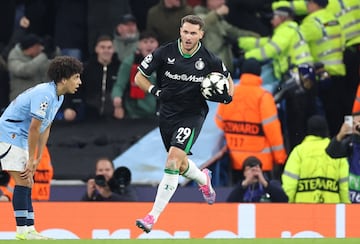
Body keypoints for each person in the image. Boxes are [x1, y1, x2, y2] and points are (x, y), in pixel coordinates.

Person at [134, 15, 234, 233]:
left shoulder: (210, 59)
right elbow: (139, 77)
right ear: (180, 31)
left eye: (193, 33)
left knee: (171, 162)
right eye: (185, 32)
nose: (188, 37)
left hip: (192, 115)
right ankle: (202, 178)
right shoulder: (164, 52)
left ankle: (152, 216)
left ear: (201, 35)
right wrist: (155, 91)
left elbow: (228, 81)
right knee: (179, 164)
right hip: (167, 114)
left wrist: (226, 96)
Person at [0, 56, 83, 240]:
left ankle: (29, 229)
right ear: (63, 79)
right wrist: (30, 159)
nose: (79, 82)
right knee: (23, 181)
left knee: (28, 181)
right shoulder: (44, 94)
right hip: (9, 134)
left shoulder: (58, 96)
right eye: (76, 77)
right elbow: (34, 128)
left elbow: (46, 127)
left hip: (19, 136)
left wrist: (37, 157)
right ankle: (23, 231)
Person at [238, 6, 315, 150]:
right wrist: (241, 41)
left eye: (274, 17)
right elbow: (267, 42)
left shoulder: (285, 30)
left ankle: (296, 152)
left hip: (296, 79)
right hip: (305, 77)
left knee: (295, 123)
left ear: (282, 18)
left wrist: (247, 57)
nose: (272, 21)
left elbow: (271, 50)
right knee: (303, 119)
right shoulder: (290, 30)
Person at [215, 58, 287, 184]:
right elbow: (272, 130)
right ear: (259, 74)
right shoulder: (263, 96)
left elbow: (219, 125)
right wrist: (280, 158)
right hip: (259, 165)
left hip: (234, 162)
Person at [299, 0, 346, 137]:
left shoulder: (311, 21)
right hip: (339, 71)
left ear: (314, 4)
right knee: (340, 112)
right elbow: (342, 45)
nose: (306, 6)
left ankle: (331, 143)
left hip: (323, 74)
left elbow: (298, 39)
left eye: (308, 2)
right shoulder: (335, 19)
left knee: (326, 113)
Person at [282, 115, 350, 203]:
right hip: (332, 210)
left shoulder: (299, 151)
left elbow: (289, 186)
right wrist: (349, 208)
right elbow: (345, 185)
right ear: (326, 130)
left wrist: (285, 206)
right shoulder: (336, 152)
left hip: (302, 210)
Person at [62, 35, 120, 121]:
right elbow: (70, 88)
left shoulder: (120, 68)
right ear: (96, 49)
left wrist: (121, 108)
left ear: (113, 49)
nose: (106, 51)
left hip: (114, 118)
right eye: (102, 47)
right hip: (88, 117)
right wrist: (68, 108)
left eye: (109, 48)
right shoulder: (85, 68)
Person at [193, 0, 260, 74]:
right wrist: (217, 13)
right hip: (207, 67)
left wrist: (254, 35)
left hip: (225, 65)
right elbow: (199, 25)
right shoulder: (198, 12)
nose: (222, 2)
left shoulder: (220, 19)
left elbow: (234, 32)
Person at [111, 31, 159, 119]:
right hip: (134, 113)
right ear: (139, 45)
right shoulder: (129, 62)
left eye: (152, 42)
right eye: (145, 42)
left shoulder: (165, 61)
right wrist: (117, 98)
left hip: (159, 111)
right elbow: (119, 85)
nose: (149, 45)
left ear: (157, 44)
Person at [326, 112, 360, 203]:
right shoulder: (351, 143)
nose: (357, 126)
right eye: (353, 124)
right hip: (354, 199)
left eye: (359, 123)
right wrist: (340, 135)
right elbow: (331, 152)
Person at [7, 33, 51, 101]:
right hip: (20, 100)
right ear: (31, 48)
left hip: (38, 100)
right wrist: (43, 56)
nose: (41, 49)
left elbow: (50, 69)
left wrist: (53, 51)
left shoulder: (39, 56)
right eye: (38, 47)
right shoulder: (14, 56)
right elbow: (24, 71)